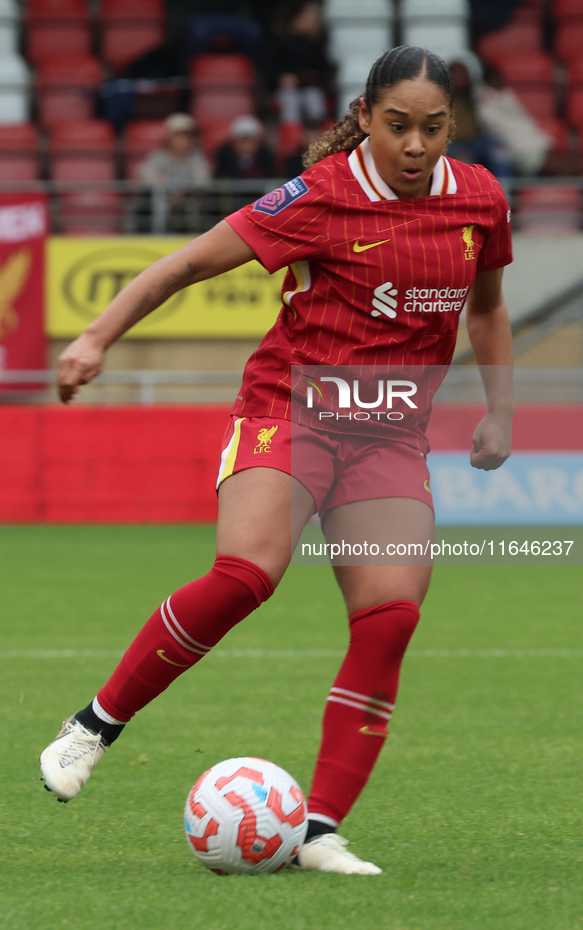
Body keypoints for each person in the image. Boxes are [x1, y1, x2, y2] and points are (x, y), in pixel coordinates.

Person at [39, 46, 514, 875]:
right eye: (396, 126)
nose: (414, 145)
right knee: (247, 573)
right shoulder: (321, 197)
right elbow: (185, 265)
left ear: (450, 128)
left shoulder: (478, 198)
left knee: (390, 616)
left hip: (389, 434)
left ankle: (319, 829)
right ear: (364, 118)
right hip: (289, 409)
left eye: (432, 129)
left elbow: (489, 307)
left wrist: (500, 409)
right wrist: (93, 336)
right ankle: (93, 725)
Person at [139, 113, 211, 233]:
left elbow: (203, 181)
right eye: (177, 135)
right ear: (169, 137)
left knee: (199, 205)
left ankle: (194, 235)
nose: (182, 140)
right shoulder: (158, 157)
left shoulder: (197, 159)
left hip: (188, 201)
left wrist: (187, 190)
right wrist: (162, 184)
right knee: (152, 203)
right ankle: (157, 235)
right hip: (163, 198)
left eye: (186, 136)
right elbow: (145, 176)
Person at [214, 115, 274, 180]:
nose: (246, 146)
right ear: (233, 143)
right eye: (242, 142)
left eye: (250, 141)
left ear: (258, 143)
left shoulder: (267, 158)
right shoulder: (224, 159)